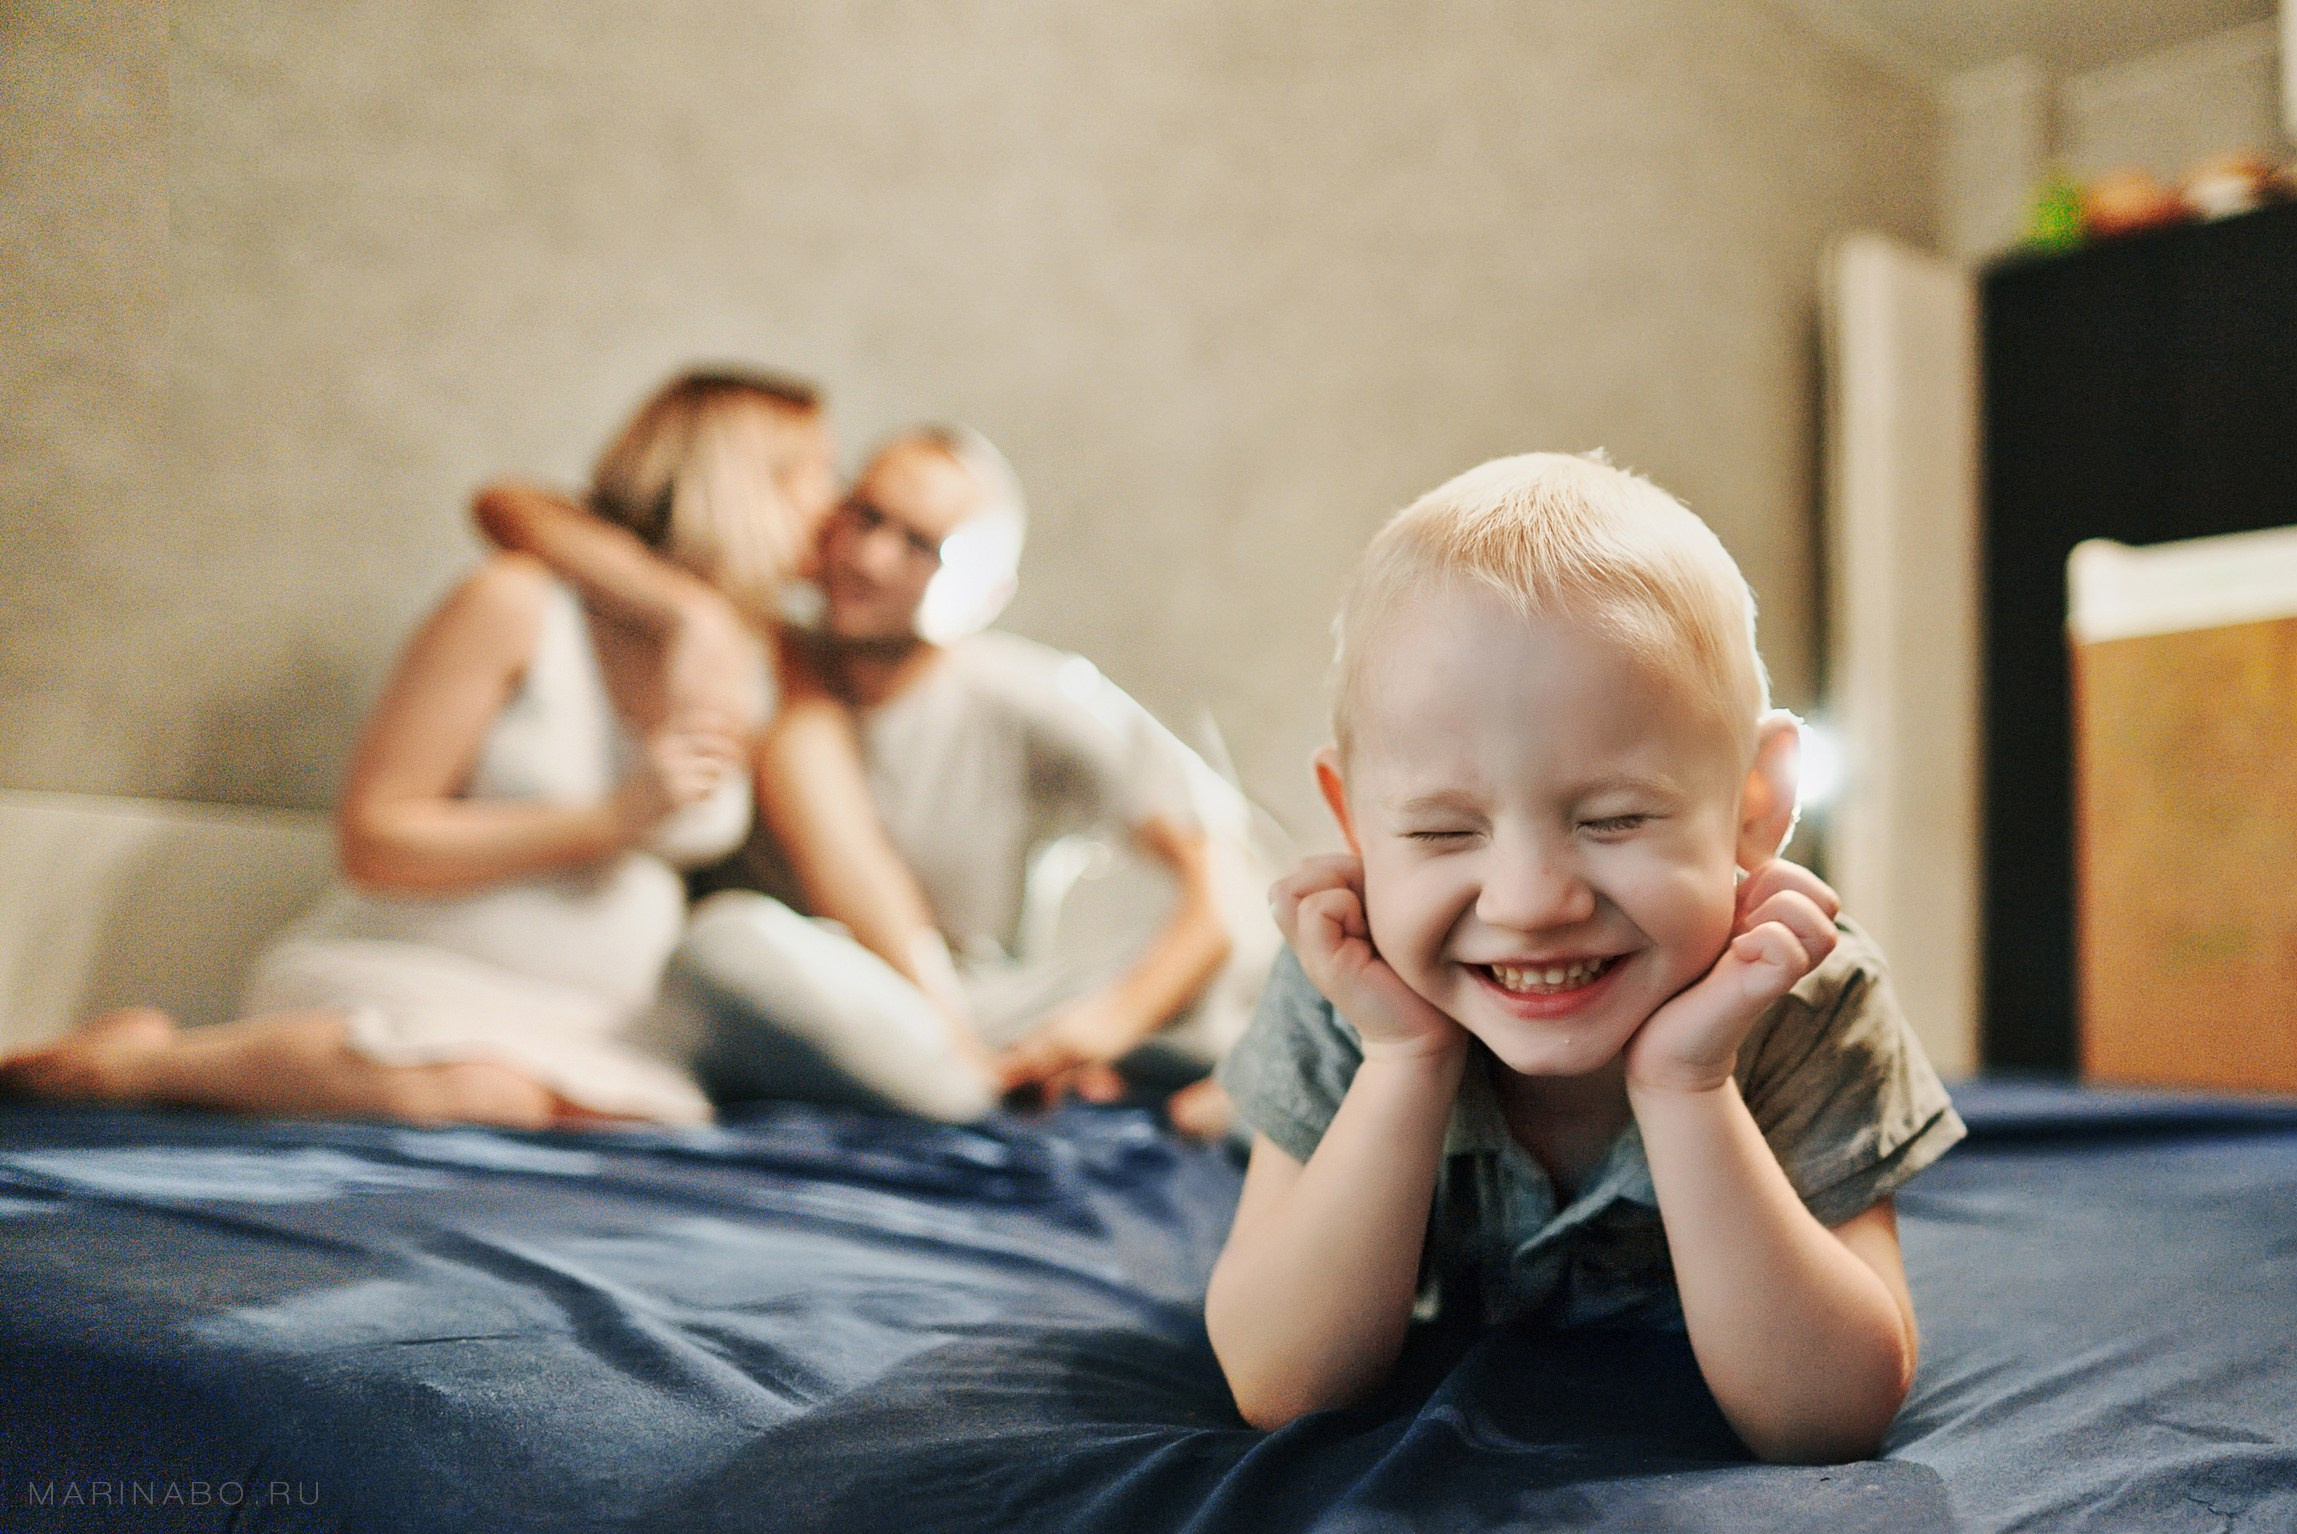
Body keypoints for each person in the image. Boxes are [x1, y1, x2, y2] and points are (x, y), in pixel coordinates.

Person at [1203, 452, 1965, 1462]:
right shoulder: (1347, 984)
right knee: (1229, 1121)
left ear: (1753, 804)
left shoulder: (1806, 991)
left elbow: (1827, 1415)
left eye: (1613, 819)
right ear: (1351, 819)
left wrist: (1687, 1085)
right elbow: (1278, 1384)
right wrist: (1403, 1062)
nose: (1528, 905)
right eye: (1438, 832)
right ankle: (1209, 1097)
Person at [0, 369, 834, 1128]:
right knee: (480, 1091)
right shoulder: (517, 605)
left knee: (640, 1126)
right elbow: (375, 843)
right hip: (414, 979)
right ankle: (138, 1064)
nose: (831, 508)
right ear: (740, 485)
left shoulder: (765, 658)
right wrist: (615, 817)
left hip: (601, 1021)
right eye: (815, 475)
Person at [481, 425, 1280, 1124]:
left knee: (1273, 967)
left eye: (919, 545)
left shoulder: (1035, 696)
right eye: (863, 517)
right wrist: (683, 609)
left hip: (987, 1002)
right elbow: (514, 504)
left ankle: (1018, 1081)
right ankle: (977, 1101)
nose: (869, 557)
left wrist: (1105, 1024)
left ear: (987, 591)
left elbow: (1220, 887)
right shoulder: (766, 658)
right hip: (836, 994)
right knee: (724, 946)